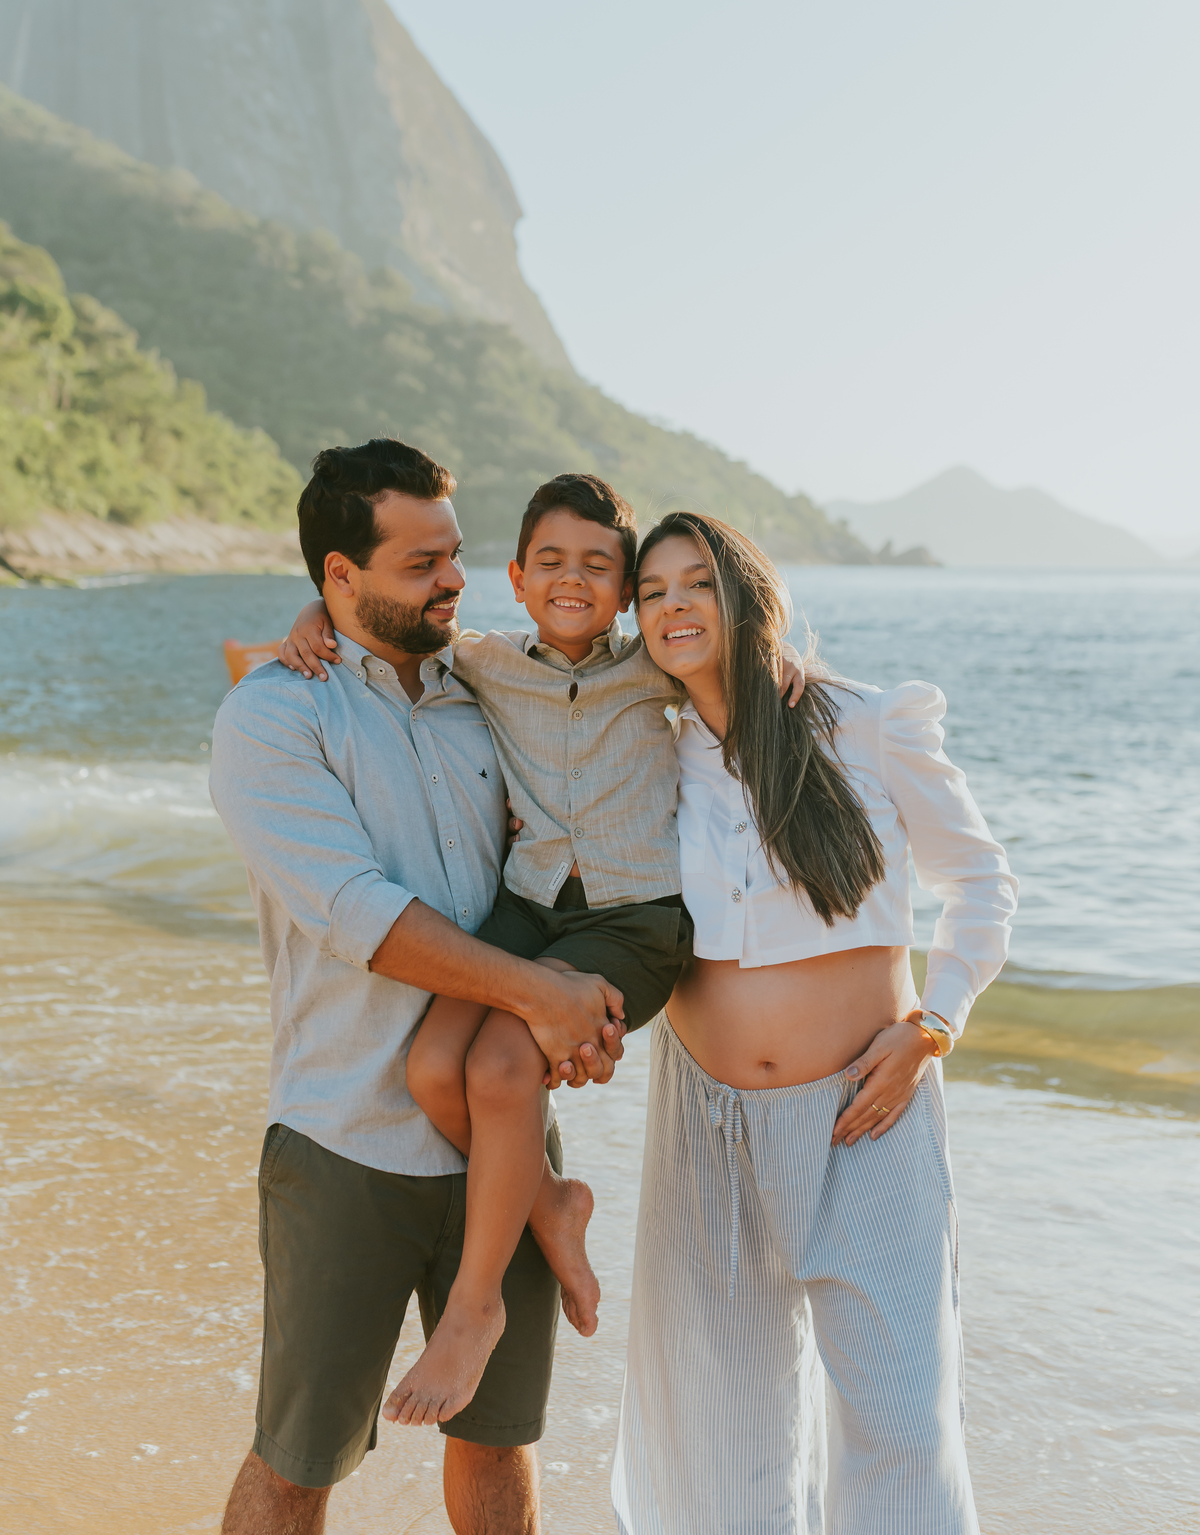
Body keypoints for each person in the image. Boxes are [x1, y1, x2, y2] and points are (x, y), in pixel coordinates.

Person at [280, 473, 807, 1431]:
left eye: (600, 567)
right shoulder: (482, 661)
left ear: (626, 588)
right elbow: (364, 625)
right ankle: (551, 1203)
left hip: (631, 920)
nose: (574, 580)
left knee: (500, 1062)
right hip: (526, 914)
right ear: (516, 579)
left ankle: (475, 1307)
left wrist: (782, 670)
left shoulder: (654, 668)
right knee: (434, 1066)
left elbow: (730, 658)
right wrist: (315, 611)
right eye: (551, 563)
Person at [208, 440, 626, 1535]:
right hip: (346, 1140)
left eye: (454, 554)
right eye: (419, 563)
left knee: (497, 1452)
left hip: (501, 1133)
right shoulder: (275, 718)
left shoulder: (486, 688)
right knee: (299, 1460)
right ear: (339, 577)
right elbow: (359, 917)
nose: (452, 579)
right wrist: (544, 995)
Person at [611, 512, 1017, 1535]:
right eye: (651, 591)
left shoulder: (867, 723)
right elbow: (514, 682)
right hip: (706, 1131)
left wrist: (935, 1024)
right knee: (727, 1438)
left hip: (865, 1117)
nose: (673, 605)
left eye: (695, 581)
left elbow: (979, 881)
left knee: (900, 1426)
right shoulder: (643, 753)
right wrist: (317, 613)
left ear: (749, 597)